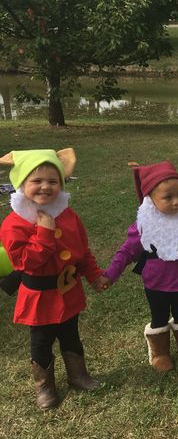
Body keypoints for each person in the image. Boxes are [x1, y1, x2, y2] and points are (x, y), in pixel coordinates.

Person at [0, 148, 106, 410]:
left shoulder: (68, 215)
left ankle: (78, 375)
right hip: (39, 296)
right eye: (36, 181)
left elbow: (82, 252)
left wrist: (94, 276)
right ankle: (44, 386)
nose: (45, 187)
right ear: (21, 183)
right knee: (41, 341)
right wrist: (44, 233)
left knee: (71, 334)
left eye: (53, 181)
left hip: (68, 291)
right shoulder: (14, 223)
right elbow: (24, 262)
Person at [101, 161, 178, 372]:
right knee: (159, 316)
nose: (177, 201)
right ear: (150, 199)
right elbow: (126, 253)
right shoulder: (143, 227)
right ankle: (159, 353)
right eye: (168, 197)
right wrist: (110, 275)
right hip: (156, 284)